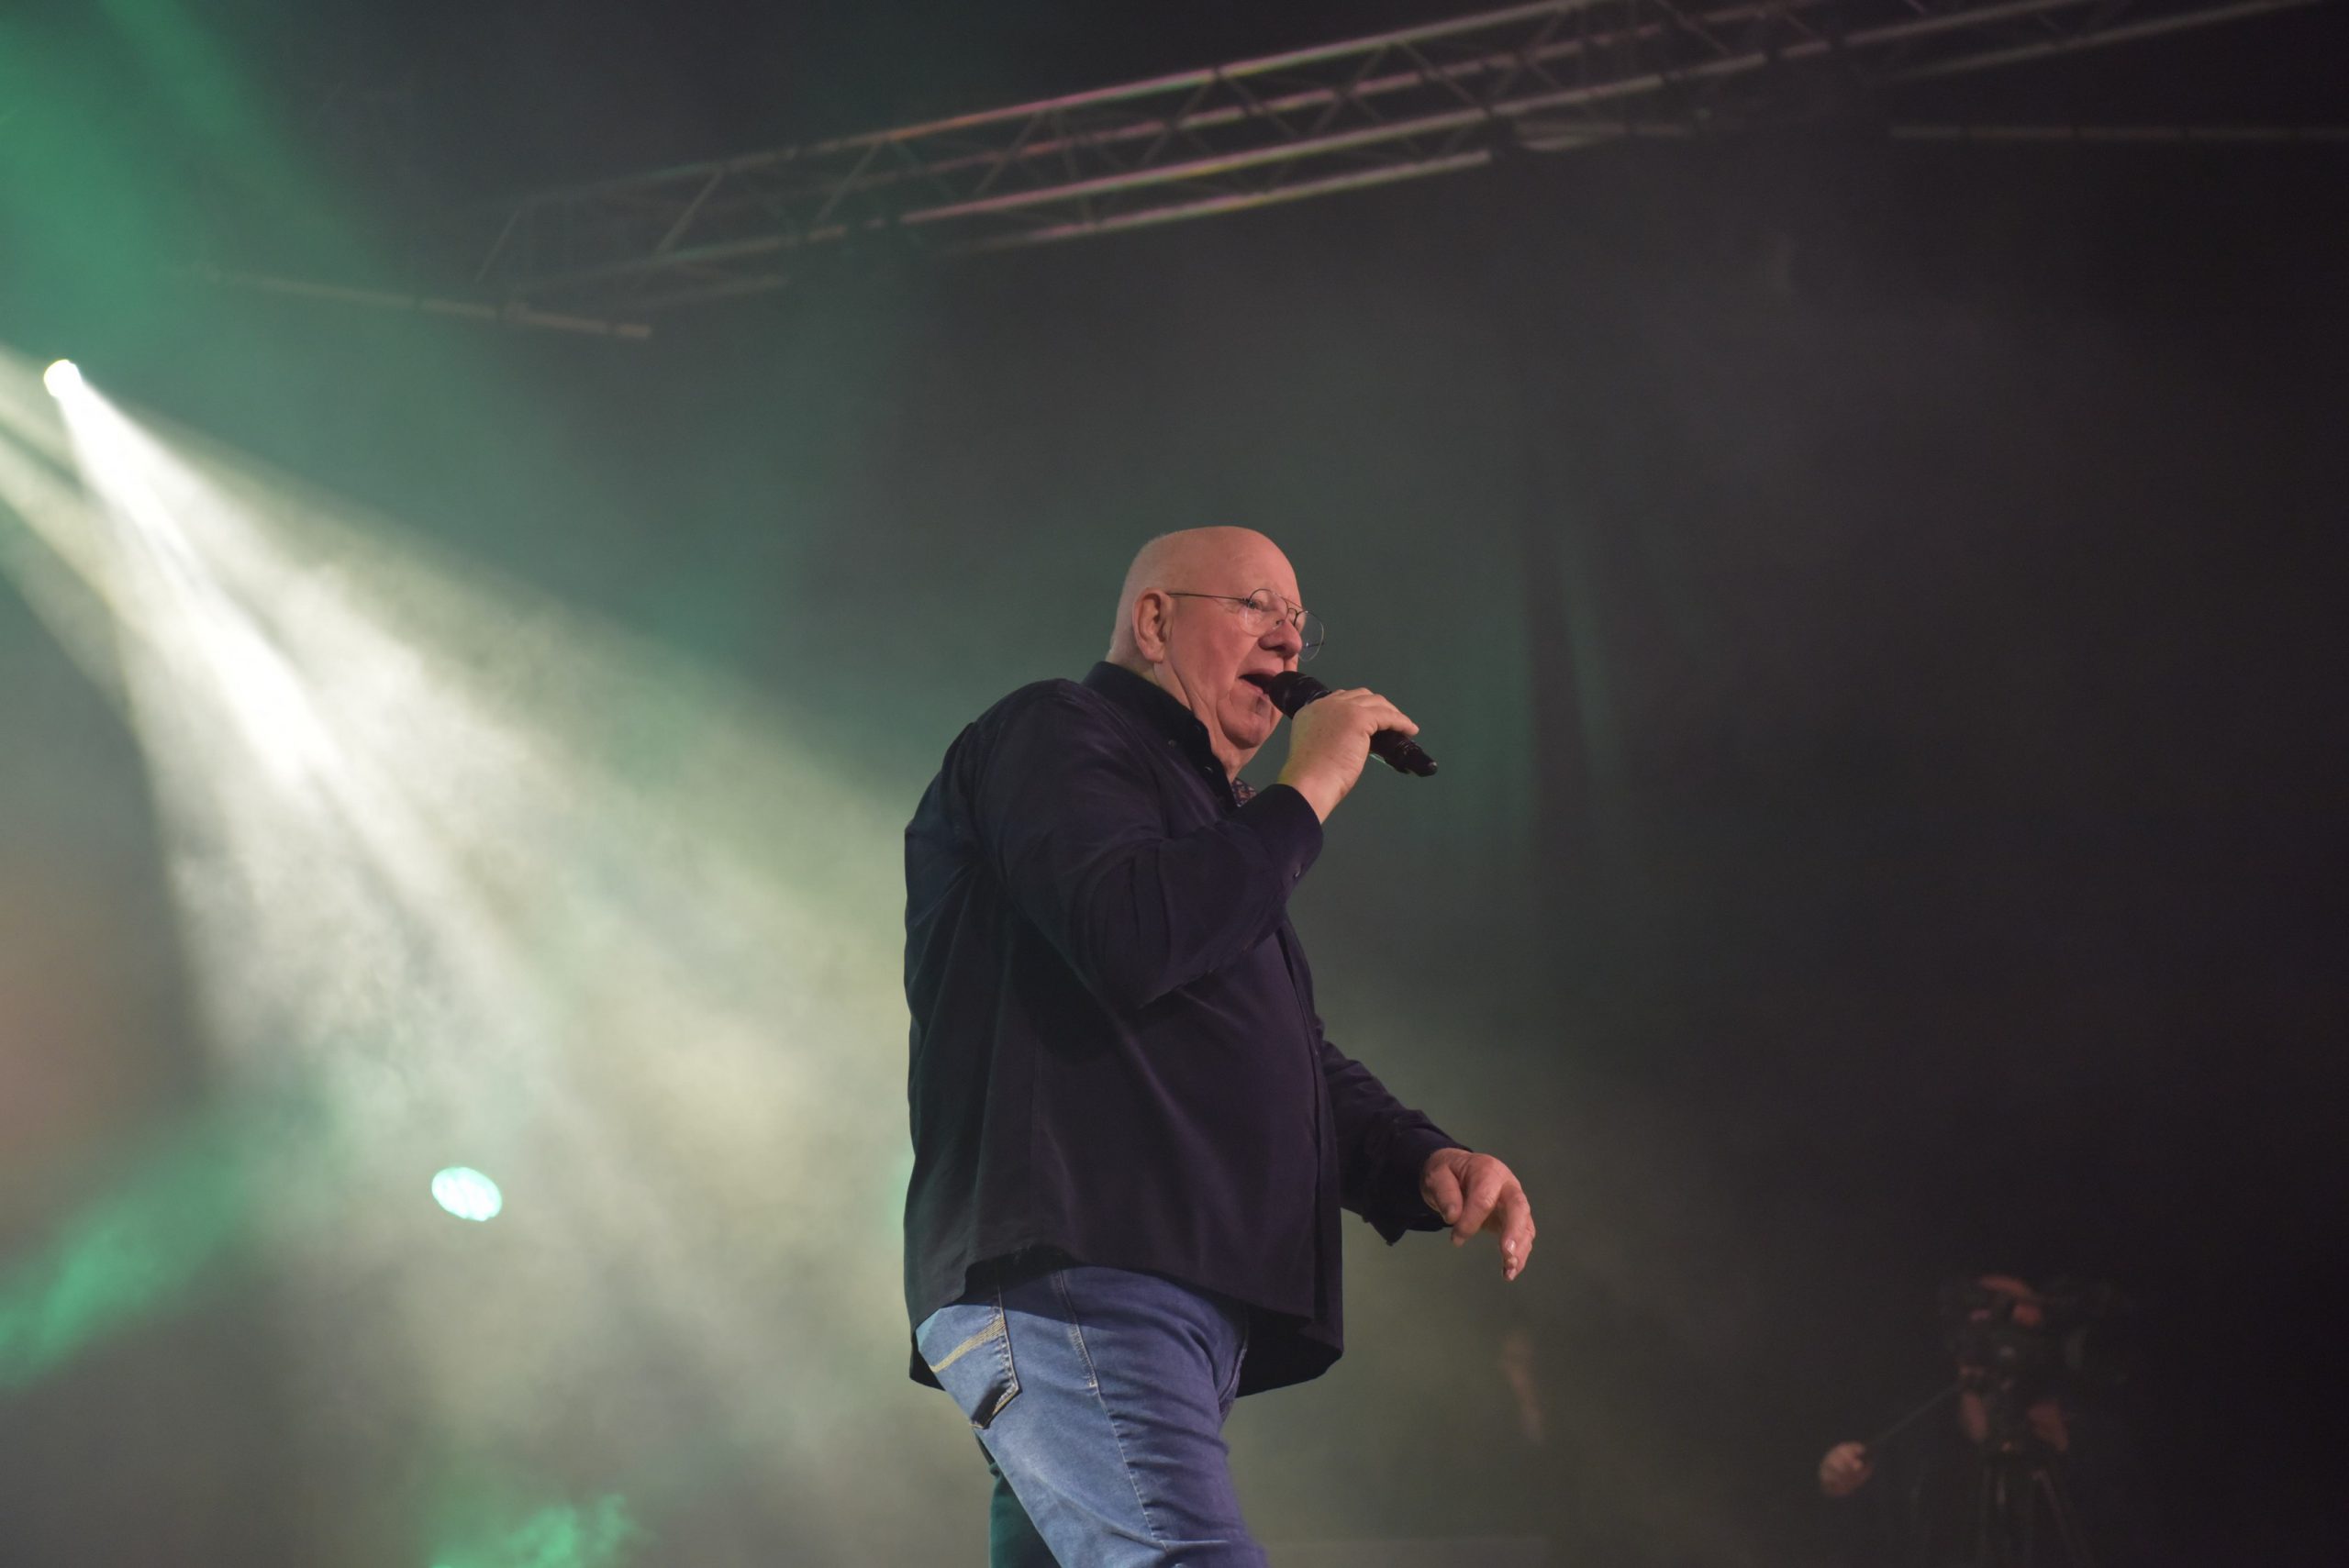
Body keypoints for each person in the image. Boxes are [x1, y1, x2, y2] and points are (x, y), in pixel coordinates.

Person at [901, 526, 1537, 1567]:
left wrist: (1418, 1155)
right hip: (1082, 1269)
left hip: (1152, 1287)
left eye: (1299, 623)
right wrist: (1309, 787)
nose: (1287, 641)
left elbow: (1274, 1048)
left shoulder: (1209, 826)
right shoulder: (1056, 731)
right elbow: (1130, 933)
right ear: (1154, 621)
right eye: (1256, 608)